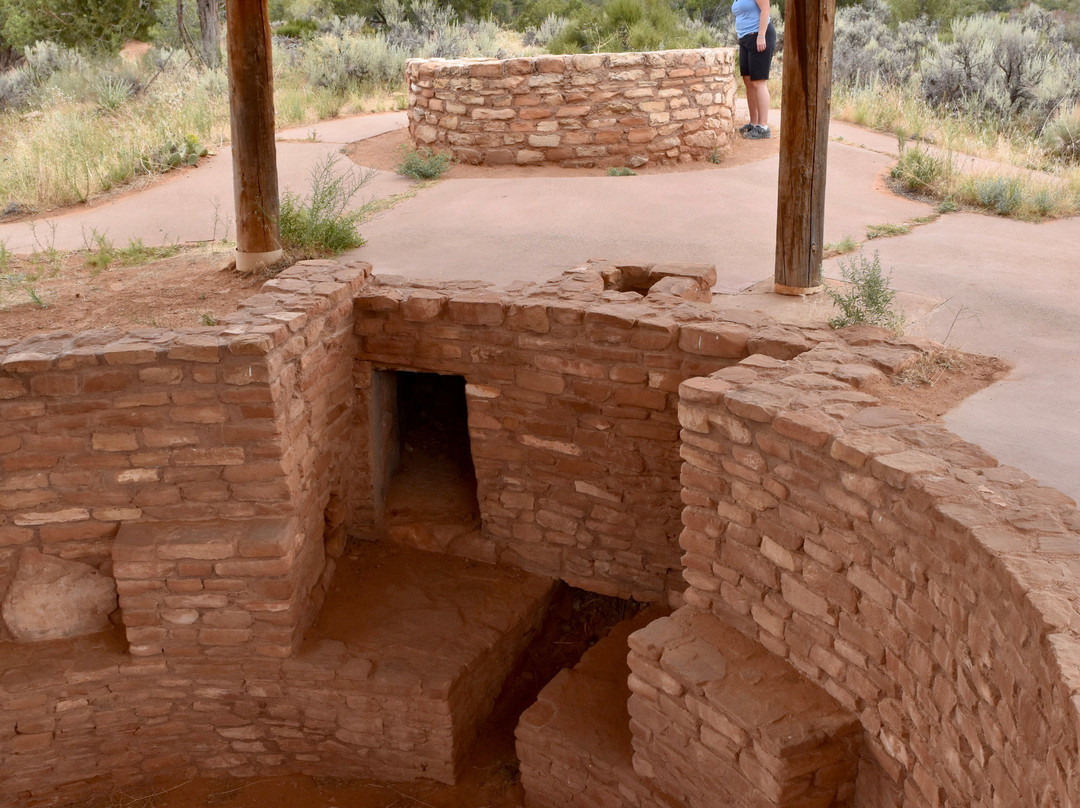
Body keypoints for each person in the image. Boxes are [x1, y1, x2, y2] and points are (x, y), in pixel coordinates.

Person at [732, 0, 776, 140]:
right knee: (748, 81)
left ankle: (763, 127)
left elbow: (765, 9)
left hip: (759, 36)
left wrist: (761, 36)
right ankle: (754, 123)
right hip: (745, 38)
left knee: (758, 82)